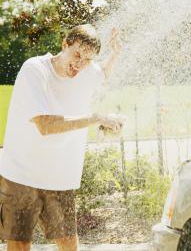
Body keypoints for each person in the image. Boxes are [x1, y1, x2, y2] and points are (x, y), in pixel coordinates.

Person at [0, 24, 123, 250]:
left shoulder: (86, 71)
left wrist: (114, 55)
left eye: (87, 60)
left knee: (69, 245)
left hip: (58, 178)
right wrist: (95, 118)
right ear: (64, 44)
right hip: (20, 175)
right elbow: (46, 125)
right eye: (76, 54)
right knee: (19, 246)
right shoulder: (35, 70)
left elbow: (102, 73)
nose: (79, 64)